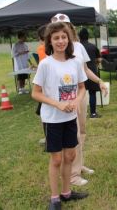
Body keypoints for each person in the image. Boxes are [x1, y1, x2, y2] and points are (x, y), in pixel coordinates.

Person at [32, 22, 88, 210]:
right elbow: (36, 93)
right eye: (56, 38)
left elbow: (81, 87)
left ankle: (66, 192)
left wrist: (76, 101)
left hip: (70, 118)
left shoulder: (75, 62)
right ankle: (55, 198)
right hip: (52, 119)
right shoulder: (45, 64)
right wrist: (58, 104)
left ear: (69, 39)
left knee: (70, 156)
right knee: (56, 159)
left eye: (64, 37)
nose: (61, 41)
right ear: (50, 41)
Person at [50, 13, 108, 186]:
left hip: (80, 94)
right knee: (72, 135)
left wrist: (99, 81)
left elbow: (85, 70)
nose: (63, 29)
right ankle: (73, 175)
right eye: (59, 26)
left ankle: (79, 164)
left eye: (66, 25)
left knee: (81, 131)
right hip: (65, 98)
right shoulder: (54, 47)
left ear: (71, 27)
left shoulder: (79, 47)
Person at [78, 28, 102, 118]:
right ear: (88, 36)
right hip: (92, 72)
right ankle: (93, 113)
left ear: (79, 36)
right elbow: (99, 59)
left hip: (80, 73)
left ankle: (80, 113)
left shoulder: (76, 47)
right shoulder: (93, 46)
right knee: (92, 93)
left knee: (80, 93)